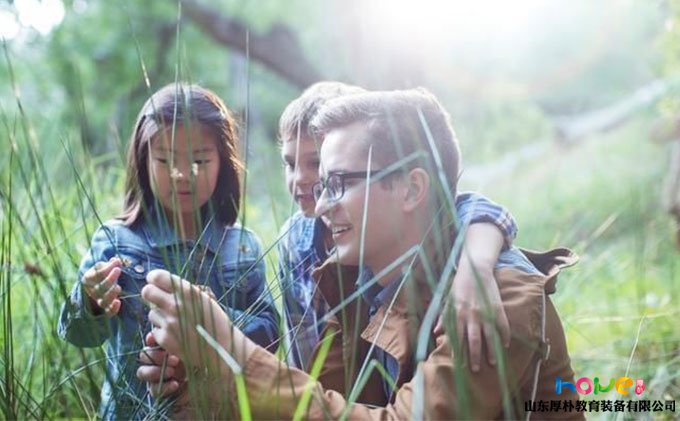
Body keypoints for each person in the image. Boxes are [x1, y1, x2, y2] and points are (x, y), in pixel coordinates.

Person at [138, 88, 581, 419]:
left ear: (411, 188)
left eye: (340, 183)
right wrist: (198, 380)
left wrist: (233, 351)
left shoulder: (496, 300)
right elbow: (320, 405)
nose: (322, 204)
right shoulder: (357, 278)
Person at [57, 83, 278, 420]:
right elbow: (78, 335)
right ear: (144, 160)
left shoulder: (242, 248)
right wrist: (90, 301)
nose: (181, 175)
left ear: (224, 162)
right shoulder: (116, 240)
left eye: (200, 160)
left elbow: (270, 339)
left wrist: (214, 319)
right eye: (164, 159)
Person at [278, 81, 517, 372]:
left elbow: (471, 207)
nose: (303, 179)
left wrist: (476, 266)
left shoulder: (412, 238)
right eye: (289, 164)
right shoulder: (295, 240)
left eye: (319, 166)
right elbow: (298, 340)